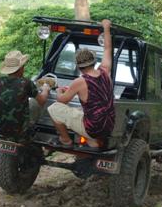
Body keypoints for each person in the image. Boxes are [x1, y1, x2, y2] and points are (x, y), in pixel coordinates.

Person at [48, 19, 115, 148]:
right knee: (79, 111)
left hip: (93, 128)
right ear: (94, 62)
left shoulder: (80, 81)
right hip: (108, 126)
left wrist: (59, 91)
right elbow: (108, 48)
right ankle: (91, 142)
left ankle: (65, 140)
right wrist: (106, 28)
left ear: (78, 67)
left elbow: (61, 101)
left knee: (54, 108)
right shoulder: (105, 71)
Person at [0, 50, 50, 137]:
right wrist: (45, 89)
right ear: (20, 68)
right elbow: (42, 101)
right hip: (22, 134)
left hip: (3, 130)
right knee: (34, 103)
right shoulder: (26, 83)